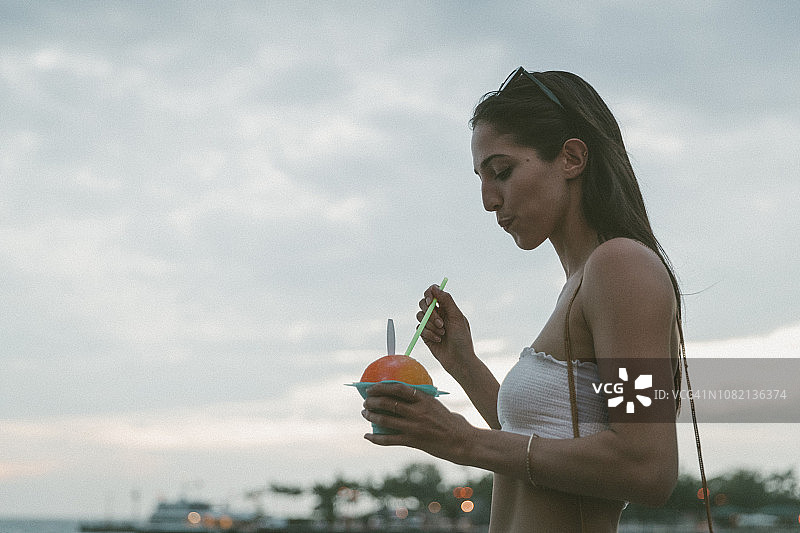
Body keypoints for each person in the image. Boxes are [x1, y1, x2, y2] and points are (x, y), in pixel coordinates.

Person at [362, 68, 683, 532]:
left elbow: (646, 467)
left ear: (571, 157)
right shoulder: (582, 281)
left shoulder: (621, 267)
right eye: (481, 180)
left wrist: (462, 441)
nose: (489, 200)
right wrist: (464, 363)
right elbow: (539, 443)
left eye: (502, 172)